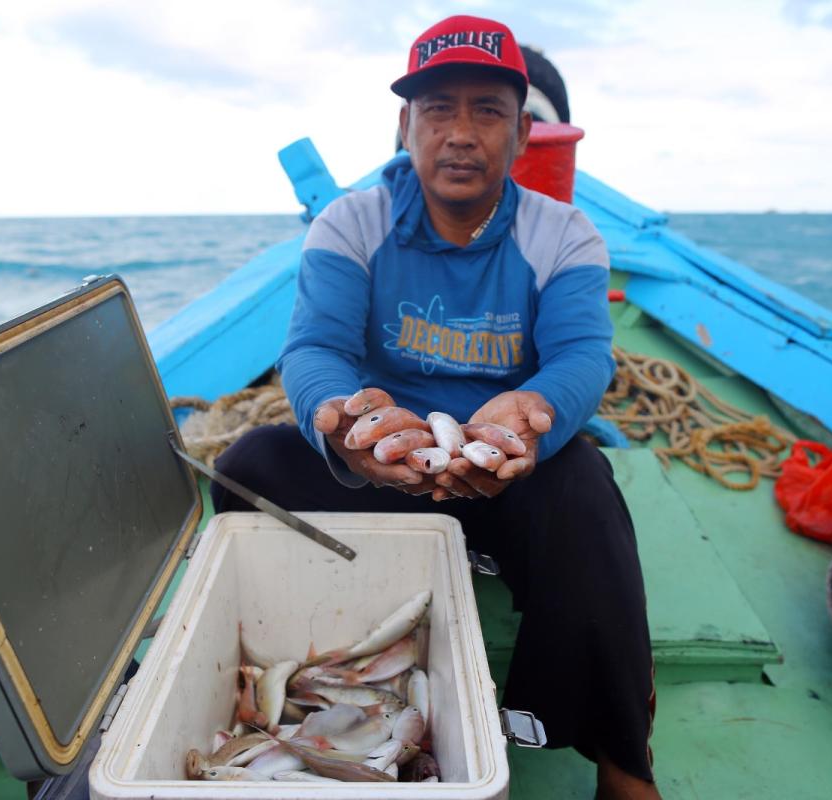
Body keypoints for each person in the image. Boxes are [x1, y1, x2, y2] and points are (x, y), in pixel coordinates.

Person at [211, 14, 659, 800]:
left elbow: (584, 357)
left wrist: (531, 409)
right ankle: (315, 661)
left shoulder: (565, 236)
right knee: (248, 467)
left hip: (504, 474)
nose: (460, 133)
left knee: (587, 487)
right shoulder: (352, 221)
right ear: (403, 125)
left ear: (522, 133)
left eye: (486, 110)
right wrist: (346, 426)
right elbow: (314, 348)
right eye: (437, 108)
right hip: (385, 473)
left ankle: (623, 760)